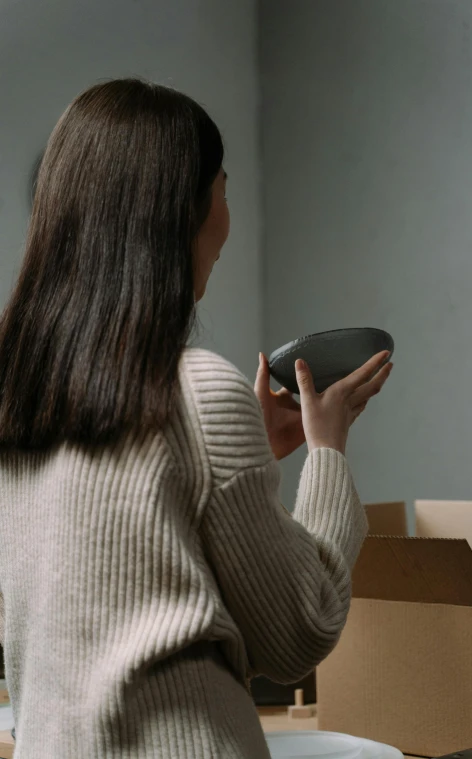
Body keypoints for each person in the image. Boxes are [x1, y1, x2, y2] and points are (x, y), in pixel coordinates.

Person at [0, 79, 392, 759]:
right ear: (186, 211)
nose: (226, 219)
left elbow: (115, 579)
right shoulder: (201, 390)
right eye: (223, 188)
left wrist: (247, 452)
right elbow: (299, 630)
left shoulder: (18, 399)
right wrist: (327, 451)